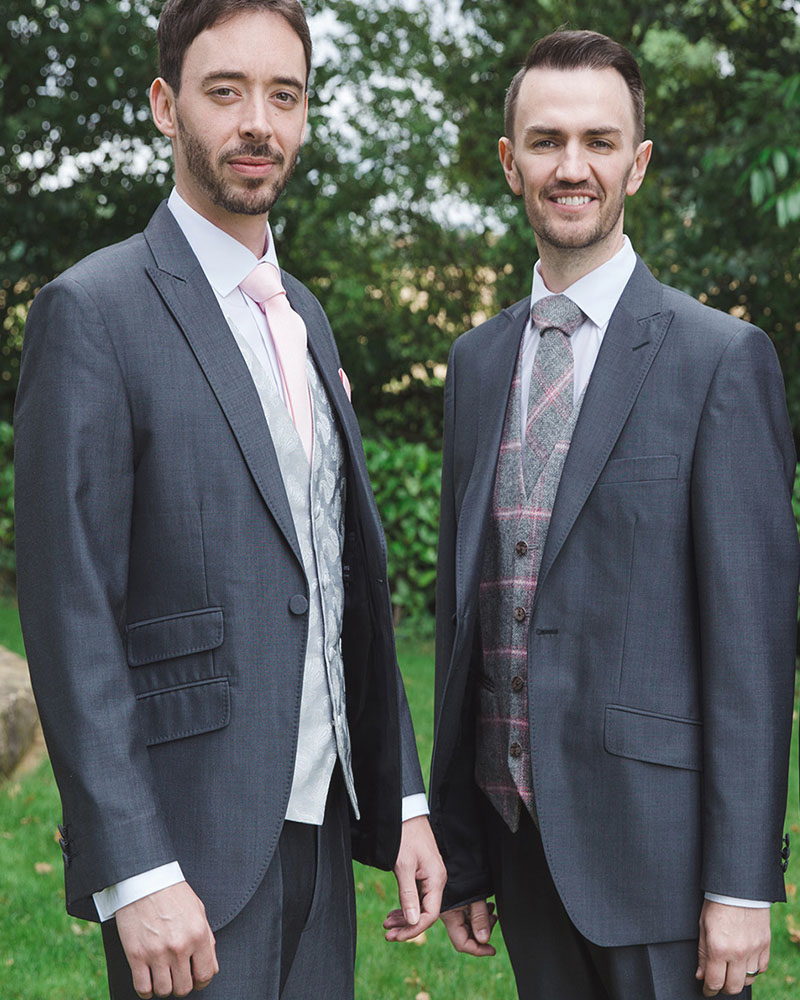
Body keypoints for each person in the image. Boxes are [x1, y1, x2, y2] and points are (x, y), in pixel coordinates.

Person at [14, 1, 445, 997]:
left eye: (283, 95)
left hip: (322, 827)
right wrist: (135, 868)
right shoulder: (93, 311)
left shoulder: (307, 320)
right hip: (188, 849)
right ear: (166, 106)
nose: (258, 122)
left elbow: (340, 576)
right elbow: (70, 609)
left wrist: (405, 800)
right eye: (225, 91)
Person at [426, 29, 798, 1000]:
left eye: (598, 141)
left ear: (636, 164)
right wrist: (463, 848)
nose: (571, 166)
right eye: (546, 140)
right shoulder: (475, 363)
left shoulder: (719, 360)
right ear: (510, 162)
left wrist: (739, 882)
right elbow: (464, 616)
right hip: (518, 843)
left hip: (660, 859)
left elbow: (751, 651)